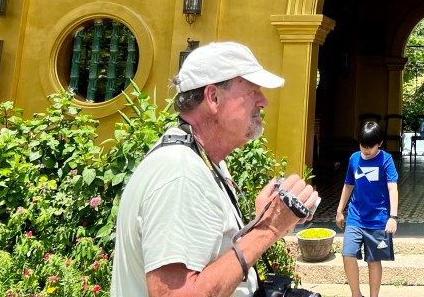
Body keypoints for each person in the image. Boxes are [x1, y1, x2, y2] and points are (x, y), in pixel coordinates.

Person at [112, 41, 318, 297]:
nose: (263, 101)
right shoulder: (181, 173)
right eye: (252, 91)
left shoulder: (200, 160)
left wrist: (260, 222)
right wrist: (269, 229)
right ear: (213, 97)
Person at [335, 120, 400, 297]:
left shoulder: (386, 160)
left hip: (378, 219)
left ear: (380, 143)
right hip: (355, 216)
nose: (366, 150)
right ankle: (356, 294)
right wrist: (340, 210)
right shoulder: (354, 158)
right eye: (363, 146)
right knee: (348, 254)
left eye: (370, 146)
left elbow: (392, 188)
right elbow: (348, 185)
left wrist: (393, 217)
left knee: (374, 260)